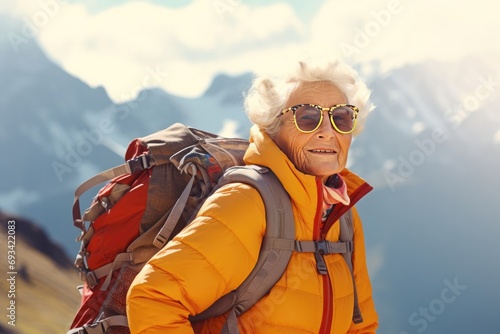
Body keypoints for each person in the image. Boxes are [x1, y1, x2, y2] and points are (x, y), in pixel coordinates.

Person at [126, 59, 378, 333]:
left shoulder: (344, 216)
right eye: (308, 117)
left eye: (340, 118)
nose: (328, 132)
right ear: (274, 126)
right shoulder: (247, 203)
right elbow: (154, 297)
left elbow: (361, 326)